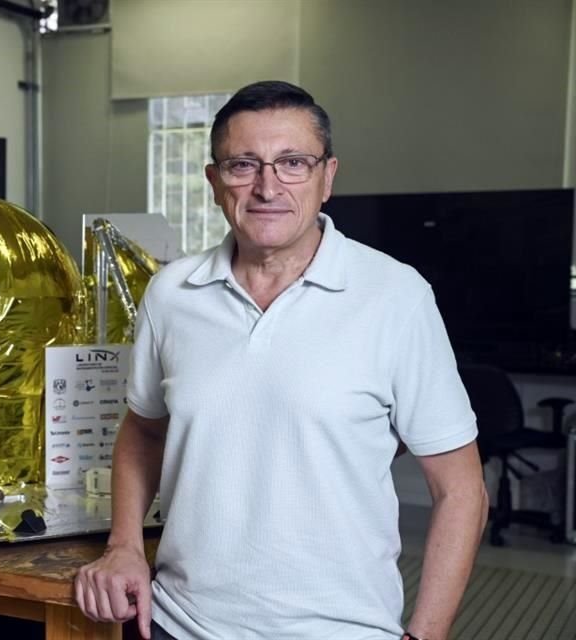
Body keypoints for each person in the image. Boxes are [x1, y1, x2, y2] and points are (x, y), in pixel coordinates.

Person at [74, 81, 488, 640]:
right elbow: (144, 432)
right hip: (179, 625)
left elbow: (460, 491)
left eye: (293, 162)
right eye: (244, 164)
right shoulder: (172, 293)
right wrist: (124, 546)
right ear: (215, 181)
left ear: (327, 177)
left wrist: (426, 636)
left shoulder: (395, 296)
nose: (268, 186)